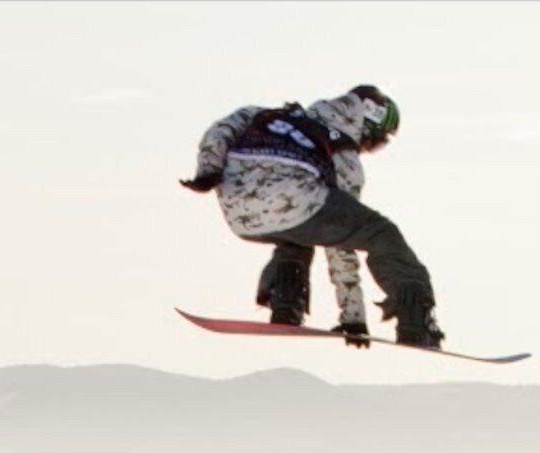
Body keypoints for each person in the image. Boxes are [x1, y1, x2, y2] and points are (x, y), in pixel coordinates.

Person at [183, 85, 439, 349]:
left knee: (298, 234)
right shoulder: (343, 154)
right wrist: (353, 317)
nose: (368, 149)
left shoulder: (276, 115)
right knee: (382, 233)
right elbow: (341, 242)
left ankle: (286, 304)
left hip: (237, 209)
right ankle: (415, 322)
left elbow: (222, 129)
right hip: (296, 198)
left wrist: (208, 171)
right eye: (376, 141)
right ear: (367, 124)